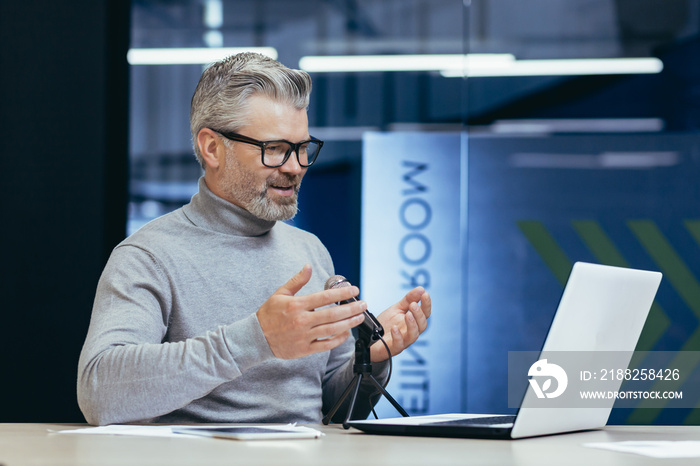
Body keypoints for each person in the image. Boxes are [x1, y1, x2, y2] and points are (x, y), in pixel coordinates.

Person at [77, 52, 431, 426]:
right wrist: (255, 339)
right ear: (212, 148)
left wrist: (372, 358)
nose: (295, 167)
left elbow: (332, 405)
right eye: (274, 149)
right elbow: (100, 393)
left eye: (302, 148)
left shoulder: (310, 250)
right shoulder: (149, 255)